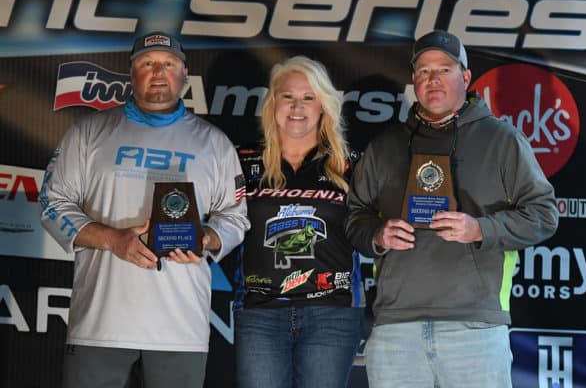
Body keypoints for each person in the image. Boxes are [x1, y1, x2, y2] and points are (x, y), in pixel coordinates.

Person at [344, 30, 559, 388]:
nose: (434, 79)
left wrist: (480, 229)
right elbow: (354, 217)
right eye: (424, 70)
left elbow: (544, 214)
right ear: (414, 80)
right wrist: (378, 235)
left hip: (474, 326)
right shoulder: (385, 146)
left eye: (444, 69)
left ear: (466, 77)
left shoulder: (502, 140)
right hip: (397, 327)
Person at [39, 31, 250, 388]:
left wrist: (205, 238)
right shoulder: (88, 132)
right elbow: (52, 204)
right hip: (100, 325)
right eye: (147, 63)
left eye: (168, 64)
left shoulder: (214, 143)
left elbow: (235, 216)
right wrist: (112, 240)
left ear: (184, 73)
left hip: (179, 329)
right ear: (131, 72)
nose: (158, 72)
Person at [235, 55, 363, 388]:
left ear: (323, 106)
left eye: (309, 97)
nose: (297, 106)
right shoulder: (241, 160)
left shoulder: (351, 165)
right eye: (288, 96)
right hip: (260, 311)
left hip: (332, 312)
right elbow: (217, 219)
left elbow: (370, 229)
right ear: (272, 103)